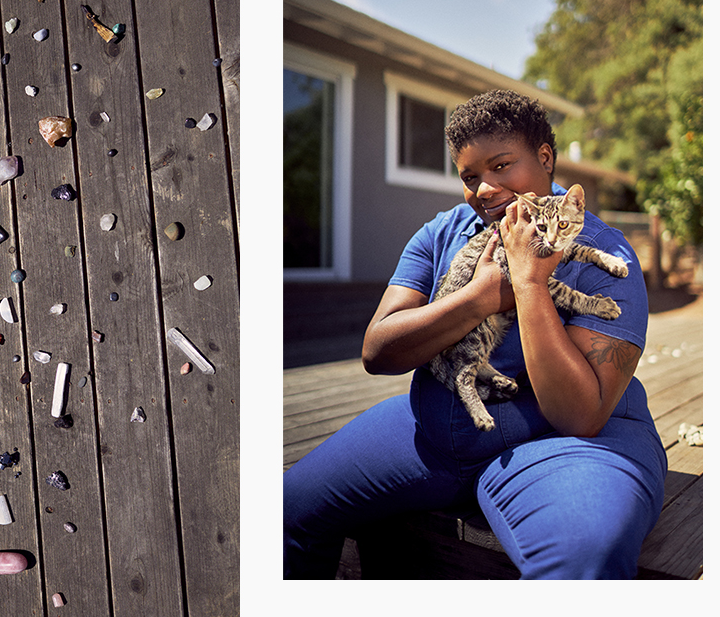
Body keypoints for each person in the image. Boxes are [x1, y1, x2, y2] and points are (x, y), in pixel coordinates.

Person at [283, 90, 667, 579]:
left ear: (545, 157)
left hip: (562, 446)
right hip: (435, 429)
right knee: (289, 508)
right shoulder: (441, 234)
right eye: (469, 177)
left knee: (583, 558)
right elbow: (378, 350)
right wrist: (480, 297)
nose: (485, 188)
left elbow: (580, 415)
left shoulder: (607, 255)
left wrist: (528, 285)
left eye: (502, 165)